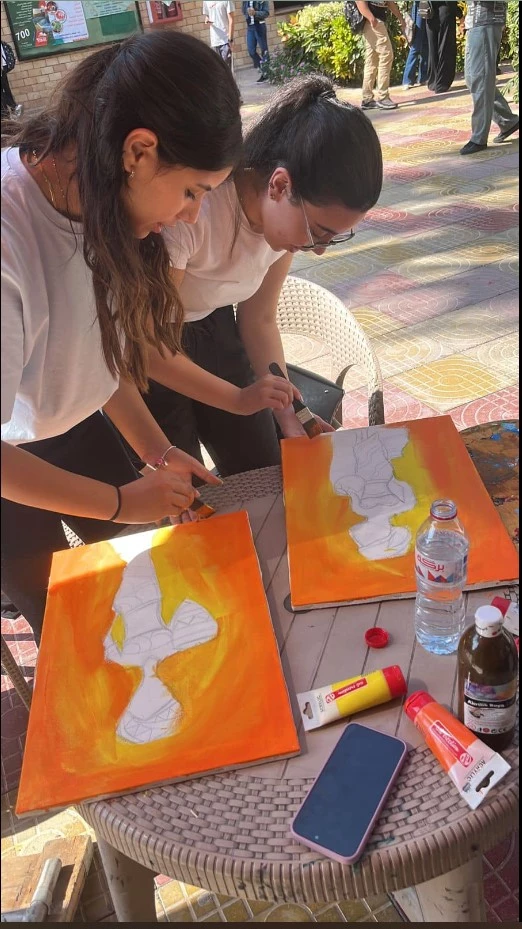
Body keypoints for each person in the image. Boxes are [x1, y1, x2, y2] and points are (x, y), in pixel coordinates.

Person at [0, 31, 276, 643]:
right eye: (191, 191)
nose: (191, 215)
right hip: (10, 464)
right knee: (73, 638)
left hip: (71, 426)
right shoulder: (11, 237)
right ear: (139, 151)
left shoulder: (96, 199)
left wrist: (157, 452)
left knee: (148, 597)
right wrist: (122, 502)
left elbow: (94, 359)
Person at [136, 76, 383, 477]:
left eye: (334, 238)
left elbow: (259, 318)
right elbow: (146, 346)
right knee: (184, 484)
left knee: (263, 463)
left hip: (214, 328)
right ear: (280, 185)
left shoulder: (283, 229)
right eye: (319, 232)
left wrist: (288, 412)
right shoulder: (196, 209)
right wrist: (237, 399)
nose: (318, 249)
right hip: (152, 343)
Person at [459, 0, 519, 155]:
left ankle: (478, 138)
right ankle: (508, 121)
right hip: (476, 22)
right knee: (472, 78)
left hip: (486, 21)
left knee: (480, 78)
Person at [355, 1, 408, 110]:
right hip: (373, 22)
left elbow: (389, 2)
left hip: (374, 21)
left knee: (372, 60)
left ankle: (367, 99)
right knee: (386, 54)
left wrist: (400, 18)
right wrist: (371, 18)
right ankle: (383, 97)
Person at [425, 1, 458, 94]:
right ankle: (442, 83)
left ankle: (433, 81)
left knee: (433, 48)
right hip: (445, 11)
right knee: (445, 47)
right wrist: (459, 13)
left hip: (429, 11)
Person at [402, 1, 429, 88]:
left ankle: (423, 77)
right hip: (420, 5)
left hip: (427, 6)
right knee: (416, 45)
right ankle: (407, 80)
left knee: (425, 43)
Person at [242, 1, 269, 82]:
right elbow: (243, 10)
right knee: (251, 51)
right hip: (250, 27)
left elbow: (266, 13)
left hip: (260, 25)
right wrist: (247, 12)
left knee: (264, 50)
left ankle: (266, 73)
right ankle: (264, 69)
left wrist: (255, 13)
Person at [203, 0, 235, 68]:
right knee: (218, 68)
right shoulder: (206, 1)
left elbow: (231, 20)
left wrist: (230, 39)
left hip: (225, 40)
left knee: (227, 68)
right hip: (214, 41)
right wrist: (207, 21)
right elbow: (207, 16)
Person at [1, 41, 22, 119]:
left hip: (2, 69)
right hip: (3, 68)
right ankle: (11, 108)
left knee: (4, 91)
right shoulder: (3, 43)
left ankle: (9, 111)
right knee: (5, 90)